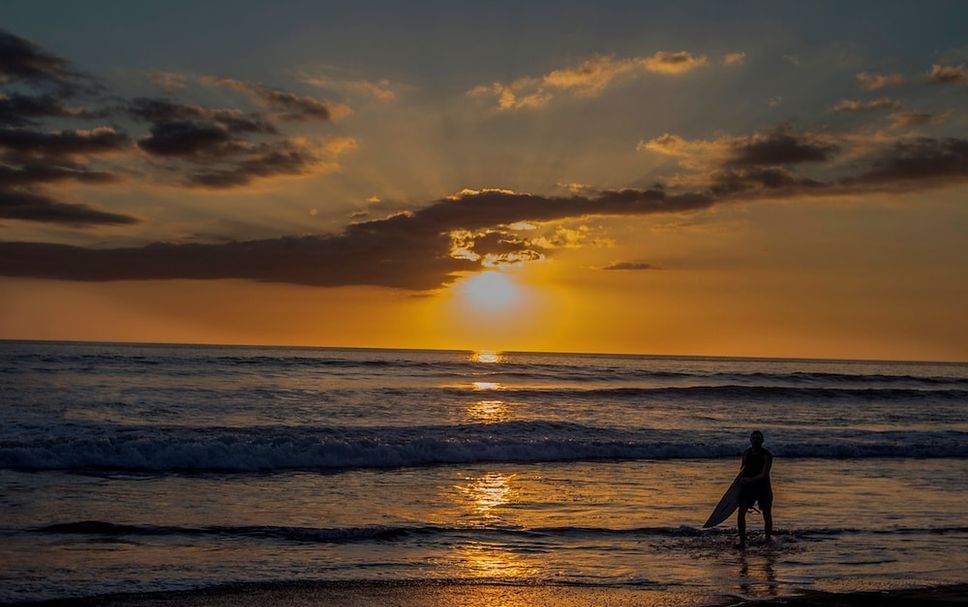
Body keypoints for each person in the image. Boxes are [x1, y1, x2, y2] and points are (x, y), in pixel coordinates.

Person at [736, 430, 773, 548]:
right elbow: (742, 470)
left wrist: (749, 480)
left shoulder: (767, 455)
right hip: (749, 488)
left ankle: (768, 540)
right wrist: (739, 484)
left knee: (767, 515)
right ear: (750, 440)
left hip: (763, 487)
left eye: (758, 438)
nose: (756, 440)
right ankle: (742, 541)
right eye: (754, 438)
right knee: (741, 512)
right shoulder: (746, 453)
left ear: (762, 441)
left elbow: (765, 474)